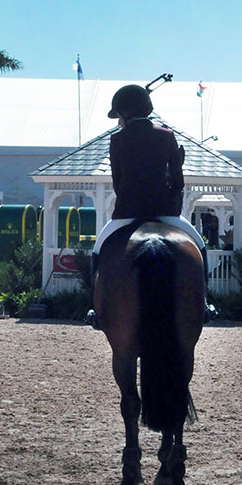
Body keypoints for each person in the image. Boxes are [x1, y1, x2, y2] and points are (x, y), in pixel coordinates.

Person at [86, 84, 209, 326]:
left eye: (119, 117)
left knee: (98, 251)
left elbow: (118, 182)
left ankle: (96, 307)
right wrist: (173, 205)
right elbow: (177, 179)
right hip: (166, 213)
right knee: (201, 247)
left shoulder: (117, 140)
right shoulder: (167, 136)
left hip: (126, 214)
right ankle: (204, 302)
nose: (119, 122)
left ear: (126, 113)